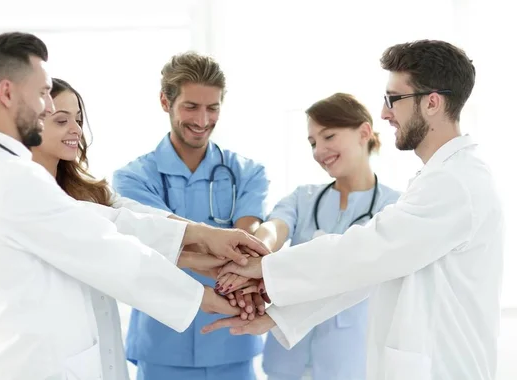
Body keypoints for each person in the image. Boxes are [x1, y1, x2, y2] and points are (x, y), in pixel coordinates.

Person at [0, 32, 268, 380]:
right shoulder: (12, 179)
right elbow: (107, 248)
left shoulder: (8, 173)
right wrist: (206, 297)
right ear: (6, 93)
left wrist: (199, 239)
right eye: (44, 93)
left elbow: (115, 219)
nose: (48, 107)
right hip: (38, 365)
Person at [202, 40, 504, 380]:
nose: (385, 113)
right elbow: (373, 269)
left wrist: (264, 267)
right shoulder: (440, 178)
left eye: (393, 99)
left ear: (432, 102)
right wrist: (281, 317)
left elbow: (367, 251)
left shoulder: (454, 183)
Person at [217, 93, 401, 380]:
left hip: (350, 360)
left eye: (329, 136)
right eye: (313, 143)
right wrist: (255, 252)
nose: (319, 151)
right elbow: (275, 228)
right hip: (286, 359)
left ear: (364, 132)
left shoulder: (394, 207)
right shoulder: (303, 198)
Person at [112, 51, 270, 380]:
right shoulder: (134, 177)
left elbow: (247, 241)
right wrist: (224, 251)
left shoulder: (248, 172)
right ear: (164, 101)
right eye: (191, 106)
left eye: (212, 108)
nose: (202, 120)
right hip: (162, 341)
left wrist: (198, 252)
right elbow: (150, 243)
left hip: (233, 342)